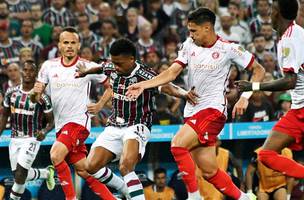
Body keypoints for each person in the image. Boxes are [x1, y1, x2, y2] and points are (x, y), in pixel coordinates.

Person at [127, 7, 265, 200]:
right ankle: (243, 198)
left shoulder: (228, 48)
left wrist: (245, 97)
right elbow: (171, 73)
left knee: (177, 145)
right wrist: (144, 85)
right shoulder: (189, 45)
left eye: (194, 31)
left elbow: (259, 70)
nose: (190, 35)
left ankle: (194, 197)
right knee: (209, 171)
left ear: (207, 28)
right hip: (193, 110)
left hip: (213, 110)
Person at [75, 38, 197, 200]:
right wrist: (86, 71)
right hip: (113, 125)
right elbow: (101, 68)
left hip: (137, 125)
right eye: (114, 62)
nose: (116, 67)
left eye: (119, 63)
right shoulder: (112, 66)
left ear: (132, 59)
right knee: (90, 166)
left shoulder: (145, 74)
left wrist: (184, 94)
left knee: (125, 166)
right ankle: (124, 189)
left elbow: (167, 87)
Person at [31, 27, 115, 200]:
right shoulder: (48, 66)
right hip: (61, 126)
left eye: (73, 43)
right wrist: (35, 93)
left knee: (55, 154)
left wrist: (99, 105)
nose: (69, 46)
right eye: (66, 42)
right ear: (59, 45)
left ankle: (71, 198)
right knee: (84, 169)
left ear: (78, 46)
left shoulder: (88, 67)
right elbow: (35, 98)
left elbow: (111, 86)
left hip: (78, 123)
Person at [235, 0, 304, 182]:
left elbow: (290, 81)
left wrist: (254, 86)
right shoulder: (292, 33)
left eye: (272, 9)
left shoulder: (291, 38)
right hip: (298, 110)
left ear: (278, 12)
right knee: (265, 155)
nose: (268, 14)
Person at [0, 60, 55, 200]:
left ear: (35, 74)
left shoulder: (42, 97)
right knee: (19, 174)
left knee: (19, 175)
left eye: (31, 70)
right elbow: (4, 116)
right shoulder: (10, 93)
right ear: (21, 71)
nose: (28, 73)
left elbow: (52, 121)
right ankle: (45, 173)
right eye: (25, 70)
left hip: (32, 138)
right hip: (14, 138)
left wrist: (44, 131)